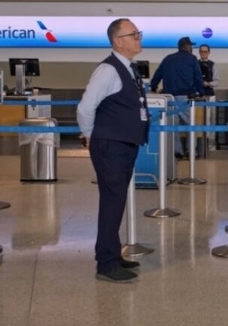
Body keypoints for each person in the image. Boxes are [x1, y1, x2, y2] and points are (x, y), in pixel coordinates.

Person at [77, 18, 149, 283]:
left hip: (123, 144)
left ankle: (112, 255)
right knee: (111, 202)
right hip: (110, 145)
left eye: (138, 33)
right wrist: (89, 135)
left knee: (116, 201)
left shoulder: (129, 68)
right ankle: (106, 264)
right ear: (118, 41)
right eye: (133, 34)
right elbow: (86, 107)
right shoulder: (108, 70)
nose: (138, 38)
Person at [150, 36, 205, 159]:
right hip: (184, 97)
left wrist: (153, 87)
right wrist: (201, 92)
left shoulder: (168, 59)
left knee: (172, 125)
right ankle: (191, 151)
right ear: (187, 46)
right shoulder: (192, 59)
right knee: (190, 124)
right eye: (191, 46)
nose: (192, 48)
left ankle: (177, 151)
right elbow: (198, 77)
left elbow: (157, 75)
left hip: (169, 98)